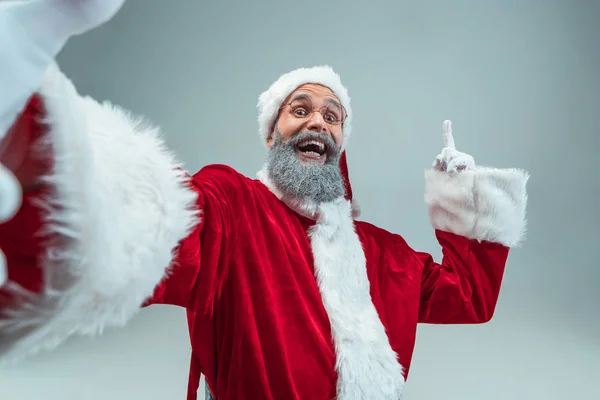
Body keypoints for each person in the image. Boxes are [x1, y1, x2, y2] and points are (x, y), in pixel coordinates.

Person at [0, 1, 530, 399]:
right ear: (273, 133)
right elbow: (152, 225)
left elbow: (470, 297)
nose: (317, 121)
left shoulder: (381, 256)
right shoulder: (233, 208)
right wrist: (41, 155)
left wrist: (467, 196)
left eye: (331, 115)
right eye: (299, 109)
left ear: (340, 142)